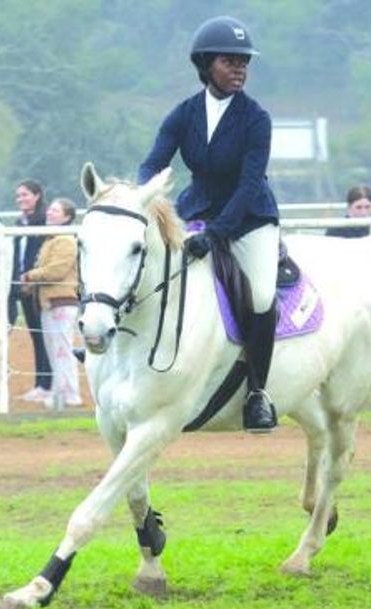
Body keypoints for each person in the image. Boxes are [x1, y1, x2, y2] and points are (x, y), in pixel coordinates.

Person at [138, 15, 280, 433]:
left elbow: (250, 183)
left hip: (250, 217)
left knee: (261, 295)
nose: (239, 68)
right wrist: (138, 197)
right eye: (229, 61)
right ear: (205, 65)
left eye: (244, 62)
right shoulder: (183, 114)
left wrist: (217, 234)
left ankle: (258, 393)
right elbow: (153, 162)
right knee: (150, 269)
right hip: (196, 211)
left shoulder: (257, 118)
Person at [21, 198, 82, 409]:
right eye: (50, 209)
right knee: (56, 351)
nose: (49, 212)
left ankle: (70, 395)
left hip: (61, 301)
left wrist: (30, 276)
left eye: (55, 210)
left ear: (67, 217)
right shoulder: (52, 240)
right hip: (50, 302)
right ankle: (60, 393)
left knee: (62, 350)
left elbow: (57, 271)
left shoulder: (64, 240)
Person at [11, 179, 53, 402]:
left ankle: (47, 384)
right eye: (18, 196)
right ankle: (41, 384)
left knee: (45, 335)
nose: (21, 199)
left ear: (37, 196)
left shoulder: (44, 221)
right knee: (36, 336)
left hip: (39, 286)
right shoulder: (20, 224)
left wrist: (32, 277)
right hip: (24, 287)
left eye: (25, 195)